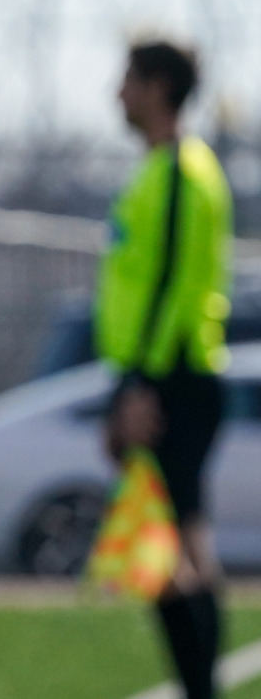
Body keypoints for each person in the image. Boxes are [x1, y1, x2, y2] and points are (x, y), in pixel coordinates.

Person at [101, 40, 232, 699]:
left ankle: (201, 688)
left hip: (169, 376)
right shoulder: (162, 168)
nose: (117, 92)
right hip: (162, 374)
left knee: (171, 550)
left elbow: (169, 286)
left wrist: (138, 385)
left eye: (127, 79)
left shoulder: (181, 168)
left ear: (157, 86)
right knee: (178, 546)